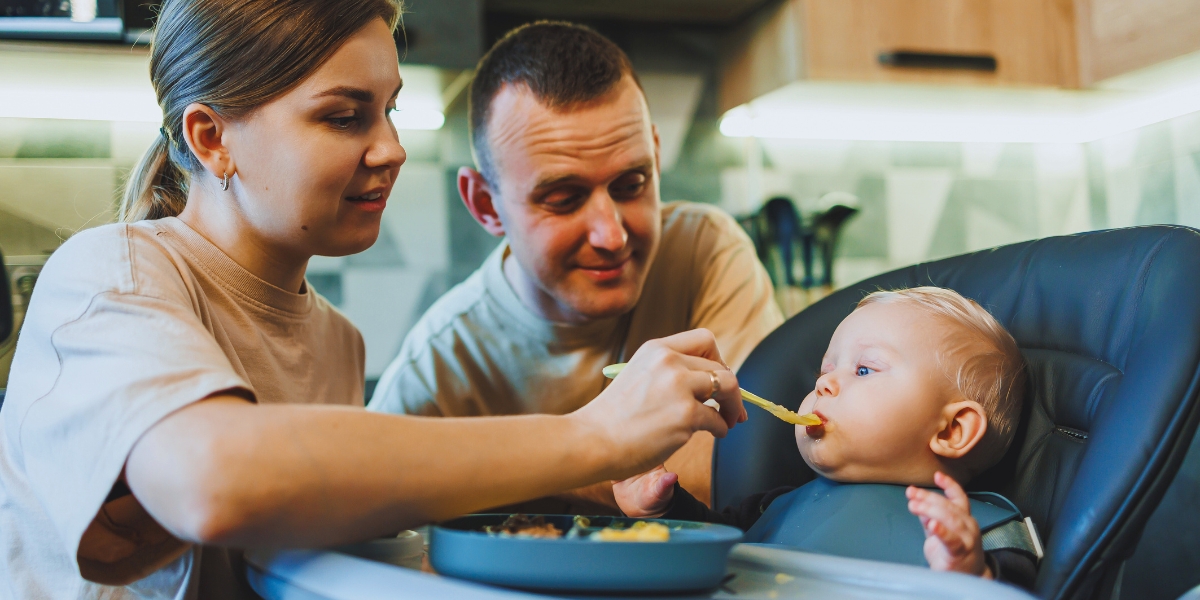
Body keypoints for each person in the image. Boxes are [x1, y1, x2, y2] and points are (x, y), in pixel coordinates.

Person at [0, 2, 749, 597]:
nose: (390, 147)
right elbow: (215, 481)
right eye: (343, 115)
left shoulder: (334, 340)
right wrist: (595, 436)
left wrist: (588, 480)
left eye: (388, 109)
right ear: (211, 138)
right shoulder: (110, 273)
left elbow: (323, 517)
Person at [368, 21, 783, 509]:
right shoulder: (438, 368)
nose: (612, 236)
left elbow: (747, 465)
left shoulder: (705, 251)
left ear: (654, 150)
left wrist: (484, 471)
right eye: (564, 199)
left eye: (632, 185)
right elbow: (368, 503)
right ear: (485, 204)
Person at [614, 287, 1039, 588]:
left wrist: (965, 576)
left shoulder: (983, 535)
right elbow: (711, 552)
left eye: (864, 370)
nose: (825, 385)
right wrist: (661, 509)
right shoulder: (772, 508)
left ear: (951, 429)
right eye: (825, 371)